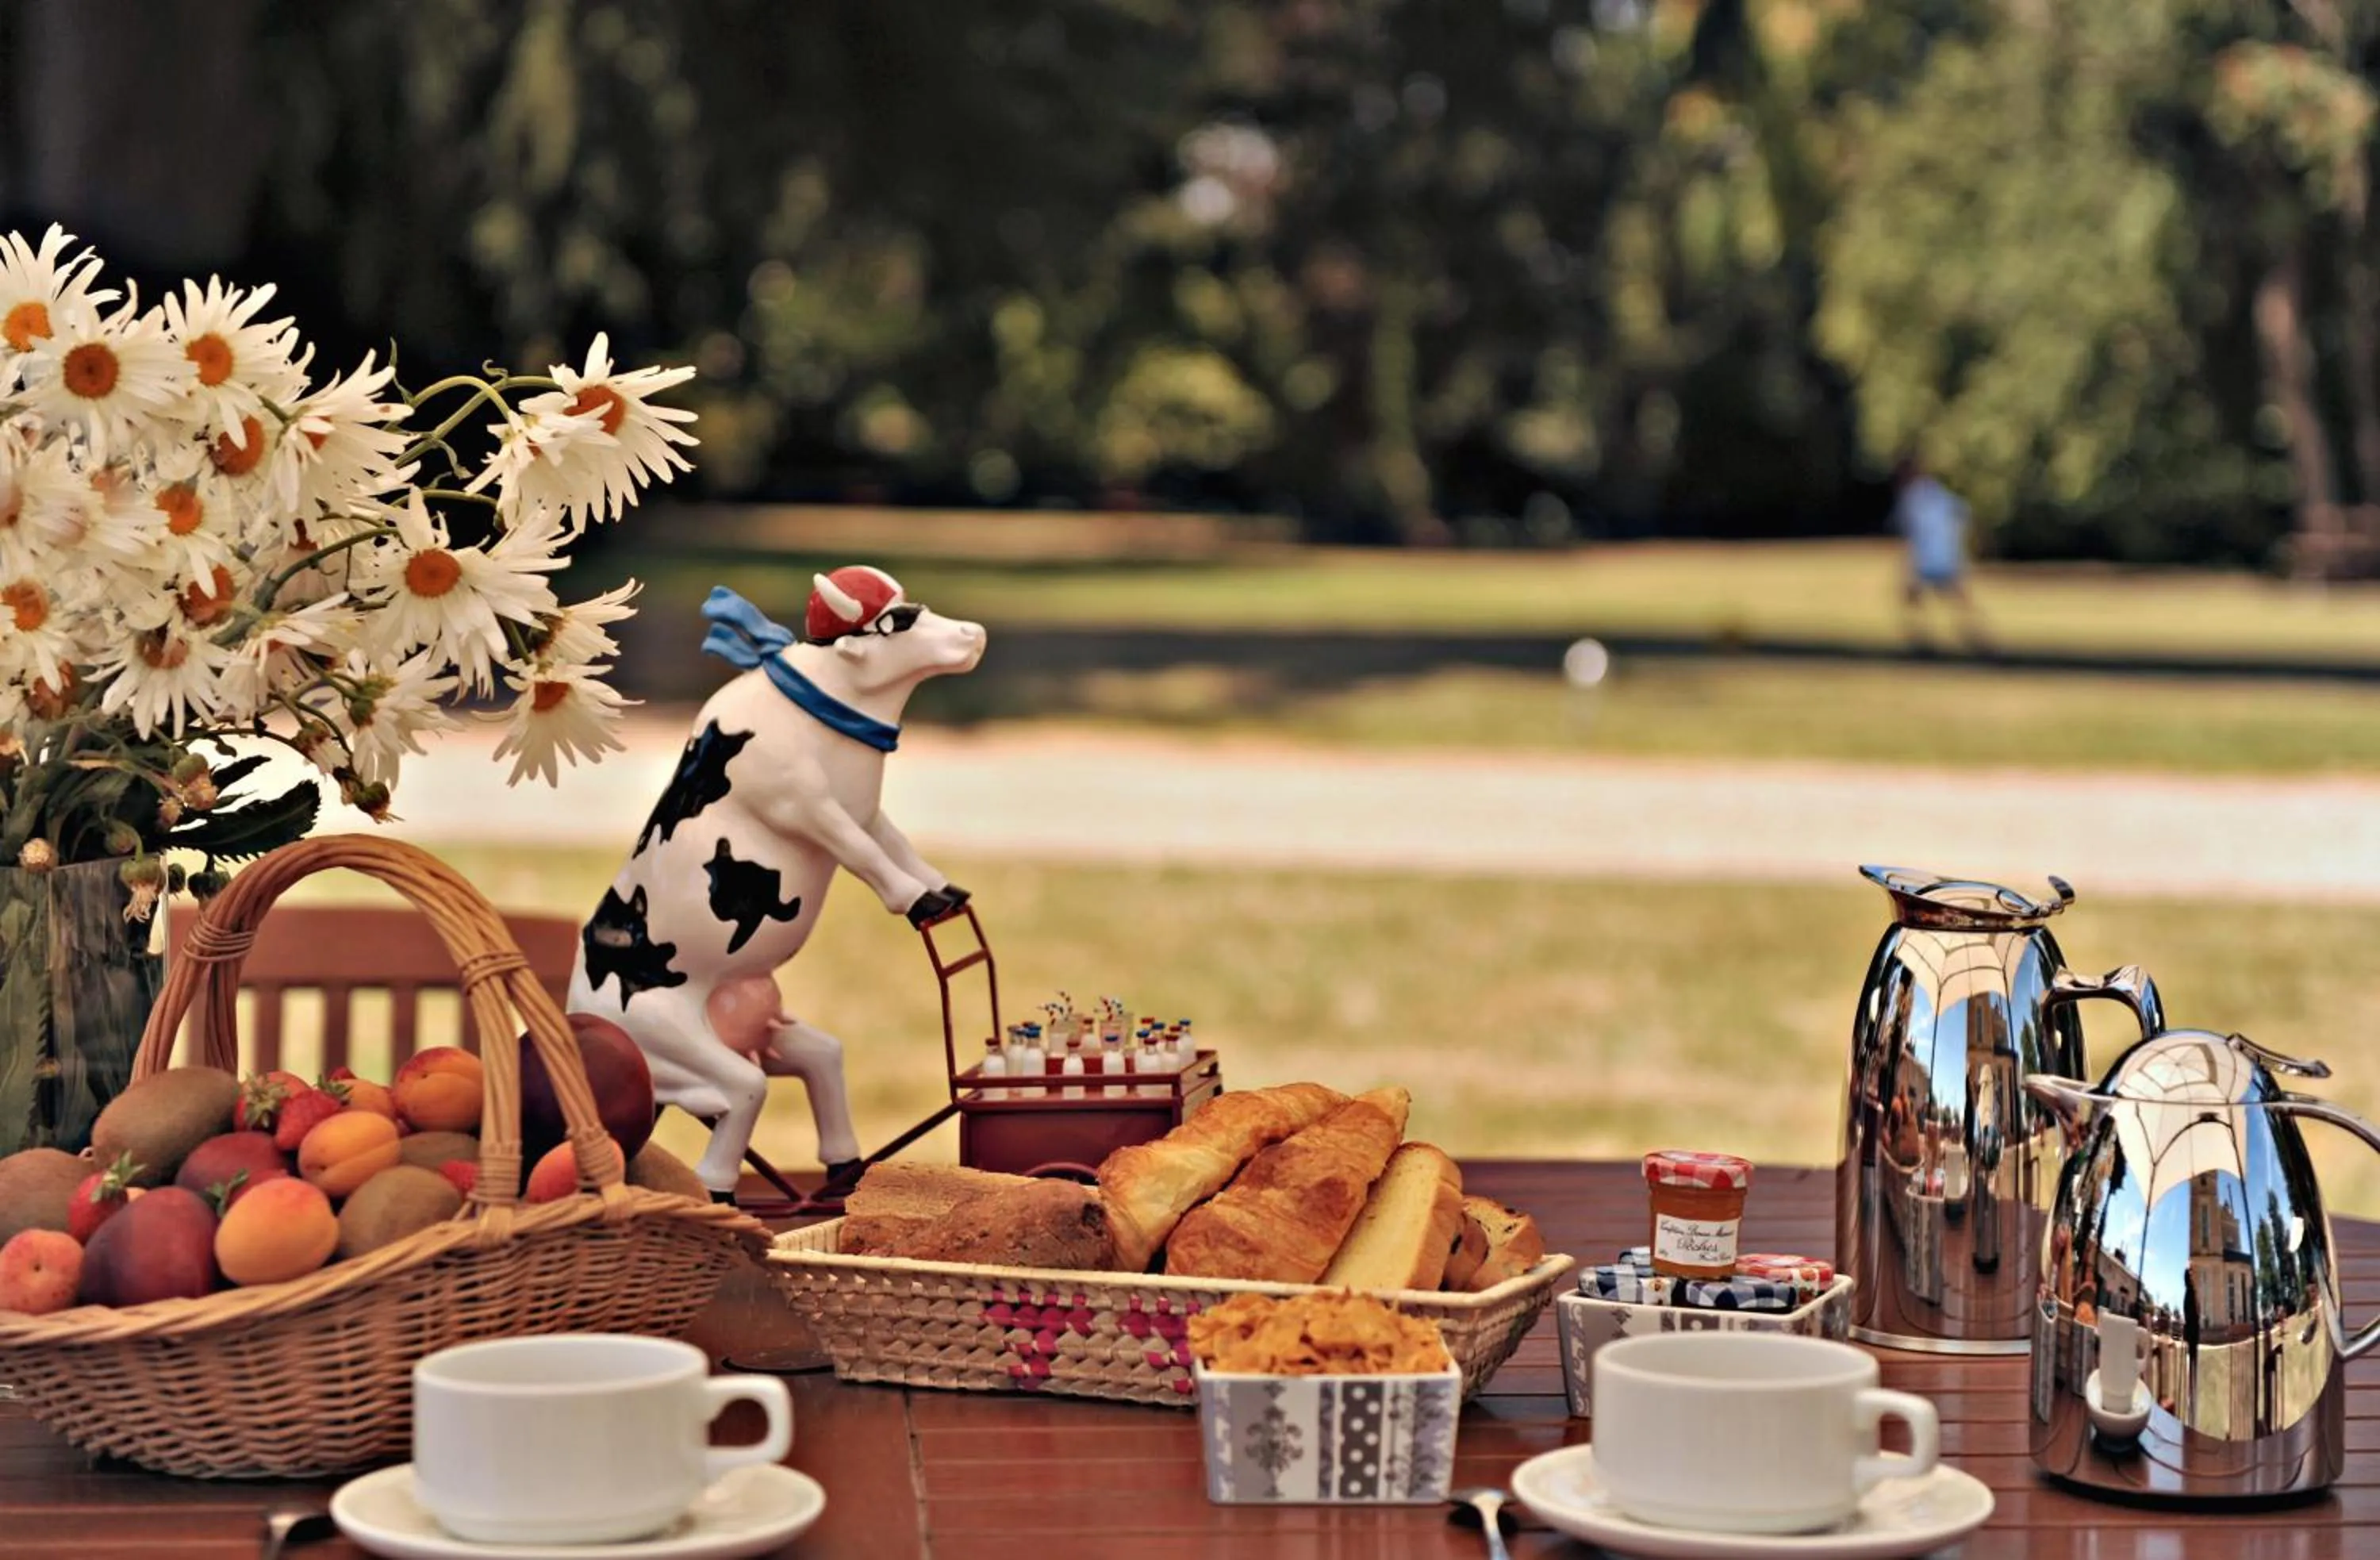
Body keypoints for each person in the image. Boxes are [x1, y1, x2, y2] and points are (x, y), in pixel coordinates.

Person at [1890, 455, 1990, 651]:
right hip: (1945, 558)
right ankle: (1970, 637)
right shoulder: (1934, 492)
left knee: (1920, 598)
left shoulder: (1913, 497)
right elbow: (1964, 514)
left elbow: (1911, 532)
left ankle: (1923, 640)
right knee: (1951, 599)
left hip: (1929, 560)